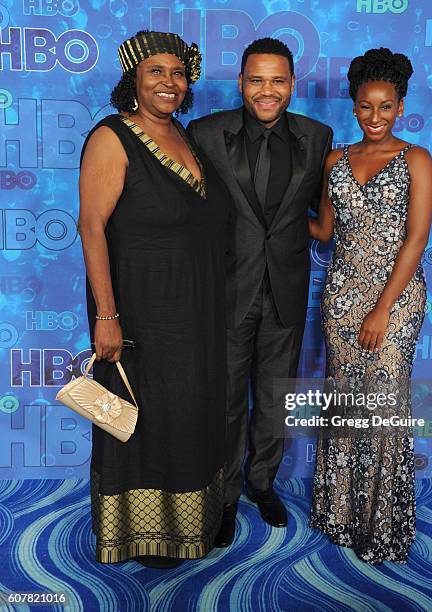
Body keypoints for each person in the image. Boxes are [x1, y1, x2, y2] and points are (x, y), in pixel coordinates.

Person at [78, 30, 228, 569]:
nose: (169, 82)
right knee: (144, 421)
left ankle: (189, 526)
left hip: (193, 313)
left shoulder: (186, 137)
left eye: (178, 73)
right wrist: (107, 317)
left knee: (187, 414)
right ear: (133, 81)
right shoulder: (113, 137)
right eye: (156, 72)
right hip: (139, 312)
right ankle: (142, 537)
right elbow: (91, 227)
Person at [187, 38, 332, 547]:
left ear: (292, 84)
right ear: (241, 83)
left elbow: (323, 214)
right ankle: (224, 497)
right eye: (256, 80)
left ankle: (262, 482)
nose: (266, 90)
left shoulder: (318, 137)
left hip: (287, 290)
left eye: (277, 80)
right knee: (226, 402)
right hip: (227, 291)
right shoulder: (204, 133)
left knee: (275, 399)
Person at [309, 48, 432, 564]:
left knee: (382, 407)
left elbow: (416, 239)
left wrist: (382, 309)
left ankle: (380, 527)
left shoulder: (416, 160)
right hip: (340, 296)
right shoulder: (335, 160)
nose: (375, 117)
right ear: (354, 107)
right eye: (366, 107)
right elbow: (321, 229)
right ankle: (339, 514)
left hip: (396, 299)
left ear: (400, 107)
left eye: (386, 107)